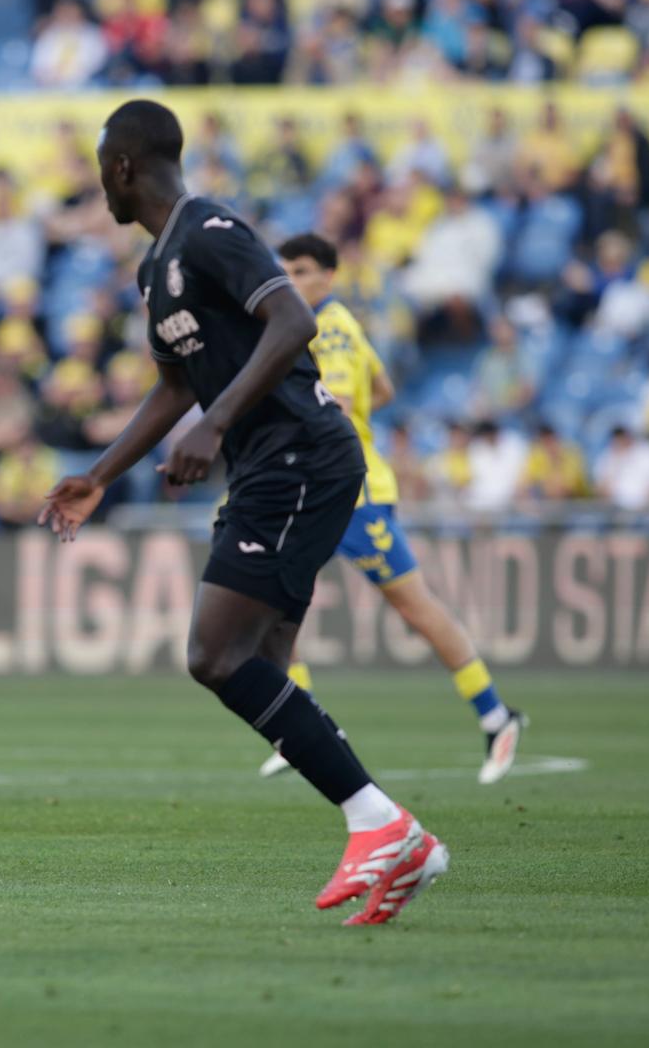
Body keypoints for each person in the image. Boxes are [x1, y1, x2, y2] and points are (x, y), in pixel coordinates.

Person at [41, 101, 446, 926]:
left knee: (215, 654)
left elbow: (293, 321)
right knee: (252, 655)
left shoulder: (211, 229)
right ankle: (401, 841)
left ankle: (378, 822)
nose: (99, 185)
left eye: (99, 169)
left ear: (123, 167)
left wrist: (217, 423)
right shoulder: (156, 270)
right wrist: (102, 476)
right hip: (270, 464)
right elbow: (174, 385)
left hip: (302, 452)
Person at [269, 233, 526, 785]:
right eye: (284, 268)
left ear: (329, 277)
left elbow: (336, 403)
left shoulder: (329, 327)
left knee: (414, 607)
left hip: (350, 494)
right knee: (275, 598)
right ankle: (299, 722)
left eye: (304, 269)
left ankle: (498, 716)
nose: (291, 277)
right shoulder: (322, 325)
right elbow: (380, 388)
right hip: (316, 489)